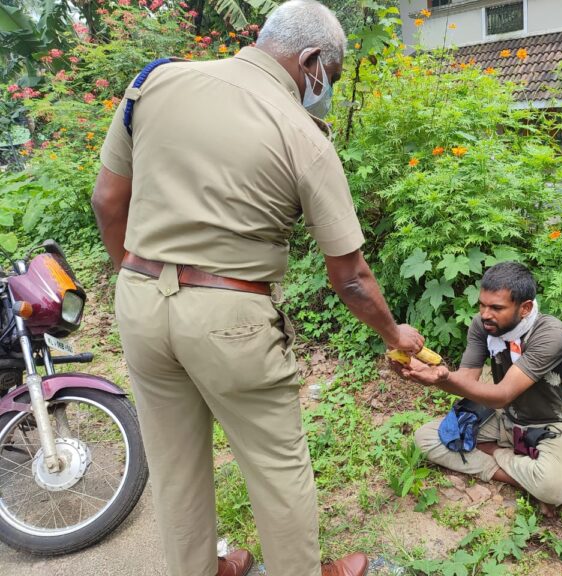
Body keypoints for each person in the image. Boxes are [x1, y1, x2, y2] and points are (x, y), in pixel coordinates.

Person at [91, 2, 424, 575]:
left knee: (175, 467)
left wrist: (142, 275)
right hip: (231, 317)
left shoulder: (155, 82)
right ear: (312, 60)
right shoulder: (301, 132)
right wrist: (396, 334)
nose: (326, 91)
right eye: (332, 78)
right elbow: (349, 276)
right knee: (277, 467)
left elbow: (106, 200)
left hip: (139, 299)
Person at [400, 262, 562, 516]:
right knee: (425, 439)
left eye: (496, 308)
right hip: (503, 418)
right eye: (482, 305)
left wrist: (442, 379)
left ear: (525, 308)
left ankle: (497, 454)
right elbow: (466, 379)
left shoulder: (550, 334)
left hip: (549, 425)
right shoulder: (483, 326)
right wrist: (430, 372)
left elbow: (503, 394)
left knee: (557, 488)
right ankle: (522, 478)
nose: (485, 314)